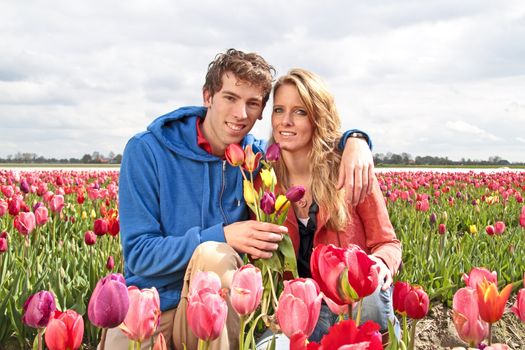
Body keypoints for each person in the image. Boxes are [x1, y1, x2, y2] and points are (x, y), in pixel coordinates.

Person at [105, 50, 374, 350]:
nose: (240, 114)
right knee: (214, 248)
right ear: (207, 96)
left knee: (213, 257)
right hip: (150, 307)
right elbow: (140, 254)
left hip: (213, 313)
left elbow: (307, 135)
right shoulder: (148, 152)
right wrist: (224, 235)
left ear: (261, 112)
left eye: (252, 104)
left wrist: (356, 140)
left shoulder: (255, 160)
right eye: (230, 98)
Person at [256, 68, 402, 348]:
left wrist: (382, 262)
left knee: (369, 288)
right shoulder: (264, 183)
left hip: (350, 302)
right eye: (278, 110)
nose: (285, 121)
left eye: (299, 111)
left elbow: (388, 242)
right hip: (301, 309)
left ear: (317, 117)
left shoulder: (350, 171)